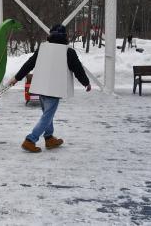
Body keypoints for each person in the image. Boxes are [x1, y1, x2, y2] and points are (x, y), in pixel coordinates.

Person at [9, 24, 91, 153]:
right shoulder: (68, 51)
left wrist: (16, 78)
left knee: (47, 115)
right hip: (55, 89)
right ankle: (31, 140)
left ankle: (49, 137)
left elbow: (29, 64)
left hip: (41, 87)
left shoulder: (43, 49)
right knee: (47, 116)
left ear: (51, 35)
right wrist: (86, 82)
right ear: (65, 37)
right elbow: (78, 69)